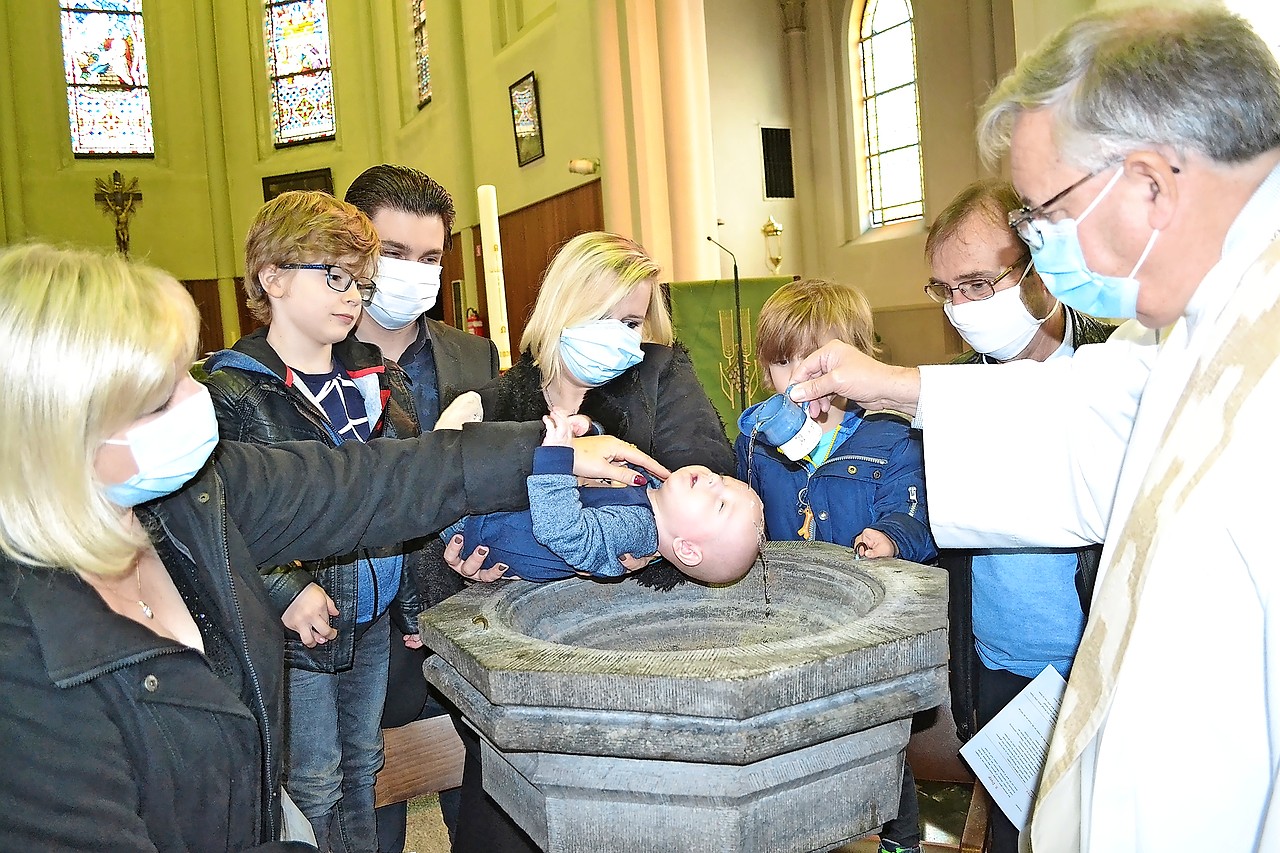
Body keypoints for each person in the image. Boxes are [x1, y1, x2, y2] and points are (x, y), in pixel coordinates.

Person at [788, 7, 1280, 851]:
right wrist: (897, 387)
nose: (1041, 239)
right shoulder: (1193, 321)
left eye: (1045, 210)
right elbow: (1084, 427)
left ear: (1151, 182)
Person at [0, 243, 660, 852]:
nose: (197, 396)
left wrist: (550, 451)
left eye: (187, 371)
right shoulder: (23, 671)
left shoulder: (192, 498)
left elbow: (367, 484)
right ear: (58, 433)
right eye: (160, 393)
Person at [448, 230, 735, 853]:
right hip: (529, 669)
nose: (622, 335)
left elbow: (711, 488)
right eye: (604, 316)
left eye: (632, 320)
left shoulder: (660, 373)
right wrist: (460, 569)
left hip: (645, 652)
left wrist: (638, 545)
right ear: (561, 308)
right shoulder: (492, 403)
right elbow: (443, 504)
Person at [924, 180, 1120, 853]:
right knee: (1014, 836)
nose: (961, 307)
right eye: (945, 289)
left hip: (1097, 665)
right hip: (1001, 671)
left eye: (978, 283)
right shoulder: (950, 391)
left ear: (1035, 264)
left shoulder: (1116, 364)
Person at [734, 277, 933, 853]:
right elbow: (747, 512)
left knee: (879, 739)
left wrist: (893, 538)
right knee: (794, 740)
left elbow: (917, 514)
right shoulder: (758, 440)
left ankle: (901, 839)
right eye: (780, 364)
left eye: (815, 365)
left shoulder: (891, 437)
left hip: (867, 622)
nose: (797, 382)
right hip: (788, 618)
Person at [344, 163, 500, 850]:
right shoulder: (316, 360)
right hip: (364, 638)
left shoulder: (475, 357)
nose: (415, 272)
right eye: (395, 255)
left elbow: (496, 478)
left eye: (430, 258)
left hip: (467, 616)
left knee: (484, 810)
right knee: (369, 820)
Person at [446, 411, 762, 584]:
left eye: (720, 503)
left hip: (475, 527)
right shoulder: (651, 493)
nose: (711, 480)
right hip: (485, 506)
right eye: (722, 479)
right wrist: (590, 435)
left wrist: (557, 458)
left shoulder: (637, 530)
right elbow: (602, 474)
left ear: (688, 549)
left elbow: (564, 531)